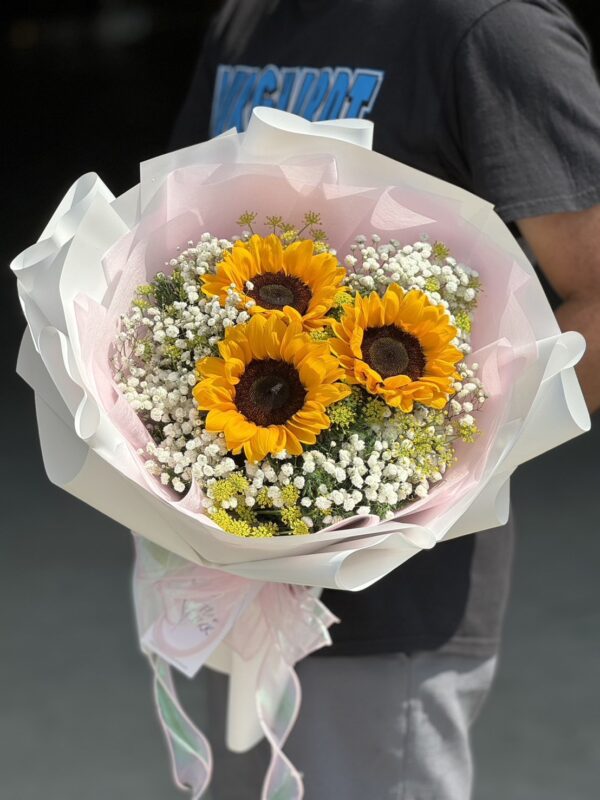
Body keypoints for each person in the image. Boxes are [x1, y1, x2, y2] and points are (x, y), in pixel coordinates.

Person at [170, 1, 600, 797]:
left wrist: (418, 477)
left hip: (391, 602)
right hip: (230, 579)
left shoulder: (486, 27)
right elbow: (177, 241)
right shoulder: (248, 17)